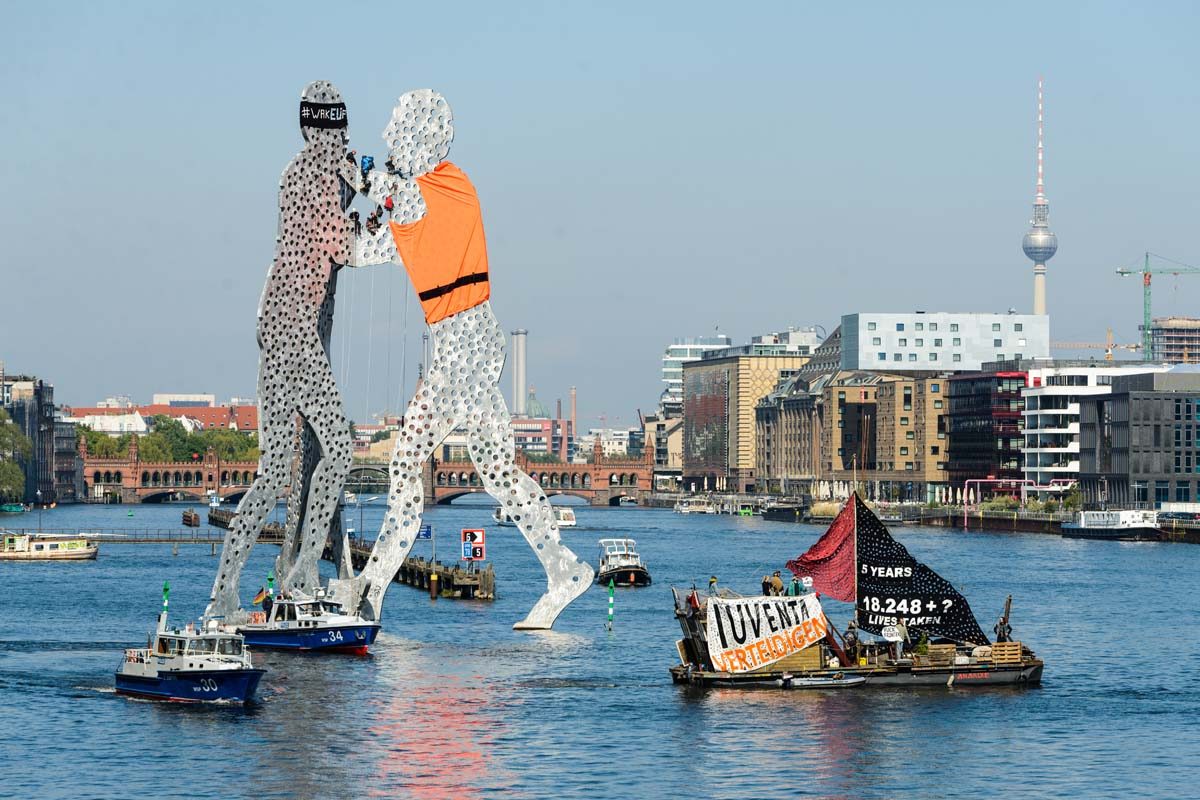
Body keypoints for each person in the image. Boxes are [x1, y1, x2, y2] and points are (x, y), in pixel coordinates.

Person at [341, 89, 592, 629]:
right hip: (472, 342)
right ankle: (564, 568)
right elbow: (376, 247)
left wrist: (353, 170)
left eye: (395, 128)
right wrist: (348, 237)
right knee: (498, 473)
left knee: (406, 463)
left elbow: (395, 199)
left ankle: (371, 590)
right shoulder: (443, 190)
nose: (388, 138)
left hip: (463, 346)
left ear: (420, 136)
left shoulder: (441, 186)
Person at [206, 80, 357, 621]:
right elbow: (345, 247)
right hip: (294, 329)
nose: (337, 139)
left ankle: (226, 590)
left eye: (337, 131)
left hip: (280, 328)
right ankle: (303, 572)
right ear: (322, 130)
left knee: (272, 475)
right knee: (339, 448)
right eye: (333, 130)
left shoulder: (299, 173)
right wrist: (389, 211)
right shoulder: (315, 174)